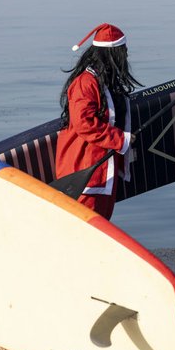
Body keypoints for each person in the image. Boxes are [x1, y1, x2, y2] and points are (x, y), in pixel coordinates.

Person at [54, 24, 141, 219]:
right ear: (112, 53)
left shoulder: (105, 81)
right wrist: (122, 139)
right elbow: (84, 124)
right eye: (123, 51)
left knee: (102, 224)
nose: (126, 56)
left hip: (104, 171)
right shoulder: (86, 82)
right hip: (84, 170)